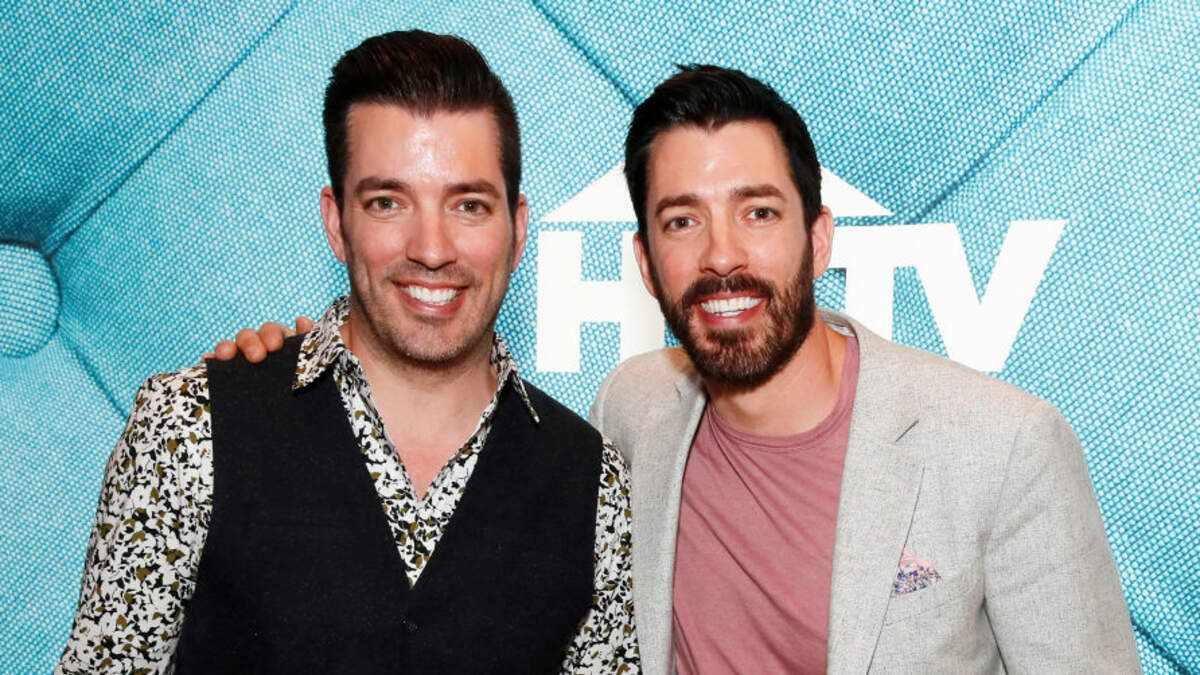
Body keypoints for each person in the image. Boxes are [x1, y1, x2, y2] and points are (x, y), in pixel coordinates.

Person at [224, 66, 1141, 673]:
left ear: (821, 237)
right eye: (681, 220)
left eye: (759, 213)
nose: (721, 255)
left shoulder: (1005, 446)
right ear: (643, 260)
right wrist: (295, 363)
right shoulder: (630, 415)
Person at [57, 31, 638, 675]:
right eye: (388, 202)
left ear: (517, 228)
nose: (432, 249)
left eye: (469, 205)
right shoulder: (190, 425)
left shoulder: (594, 483)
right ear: (337, 223)